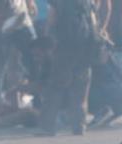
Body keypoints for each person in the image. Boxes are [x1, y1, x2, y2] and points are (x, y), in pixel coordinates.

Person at [38, 0, 103, 135]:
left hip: (65, 45)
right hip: (85, 46)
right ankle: (79, 125)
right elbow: (95, 15)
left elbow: (52, 18)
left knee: (56, 86)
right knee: (81, 87)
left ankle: (48, 126)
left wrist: (48, 37)